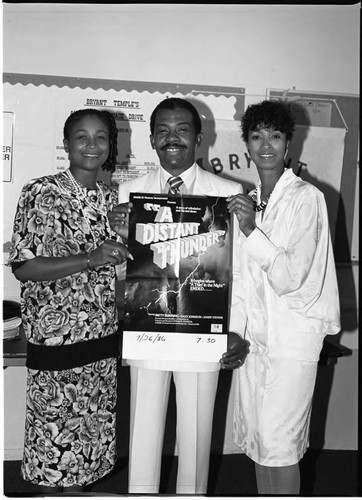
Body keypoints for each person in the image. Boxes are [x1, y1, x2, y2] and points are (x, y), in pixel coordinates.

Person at [109, 97, 248, 494]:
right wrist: (120, 236)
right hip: (148, 331)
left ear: (199, 138)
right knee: (143, 441)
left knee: (196, 443)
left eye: (183, 129)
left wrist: (233, 330)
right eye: (164, 130)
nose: (173, 138)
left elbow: (240, 272)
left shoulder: (228, 192)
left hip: (202, 334)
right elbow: (117, 270)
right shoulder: (129, 193)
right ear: (152, 139)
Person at [8, 109, 131, 494]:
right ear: (66, 144)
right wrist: (89, 258)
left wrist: (129, 234)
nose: (91, 145)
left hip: (101, 341)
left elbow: (127, 271)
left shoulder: (114, 200)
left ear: (110, 146)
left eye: (100, 138)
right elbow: (24, 268)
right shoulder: (41, 190)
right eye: (81, 137)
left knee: (86, 451)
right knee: (54, 454)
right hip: (58, 342)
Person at [227, 100, 341, 495]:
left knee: (283, 446)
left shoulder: (307, 199)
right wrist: (234, 332)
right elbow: (241, 277)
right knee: (259, 443)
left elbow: (291, 276)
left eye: (275, 136)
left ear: (289, 144)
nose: (266, 145)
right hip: (254, 343)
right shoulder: (251, 200)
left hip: (291, 342)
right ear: (247, 145)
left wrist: (249, 230)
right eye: (256, 136)